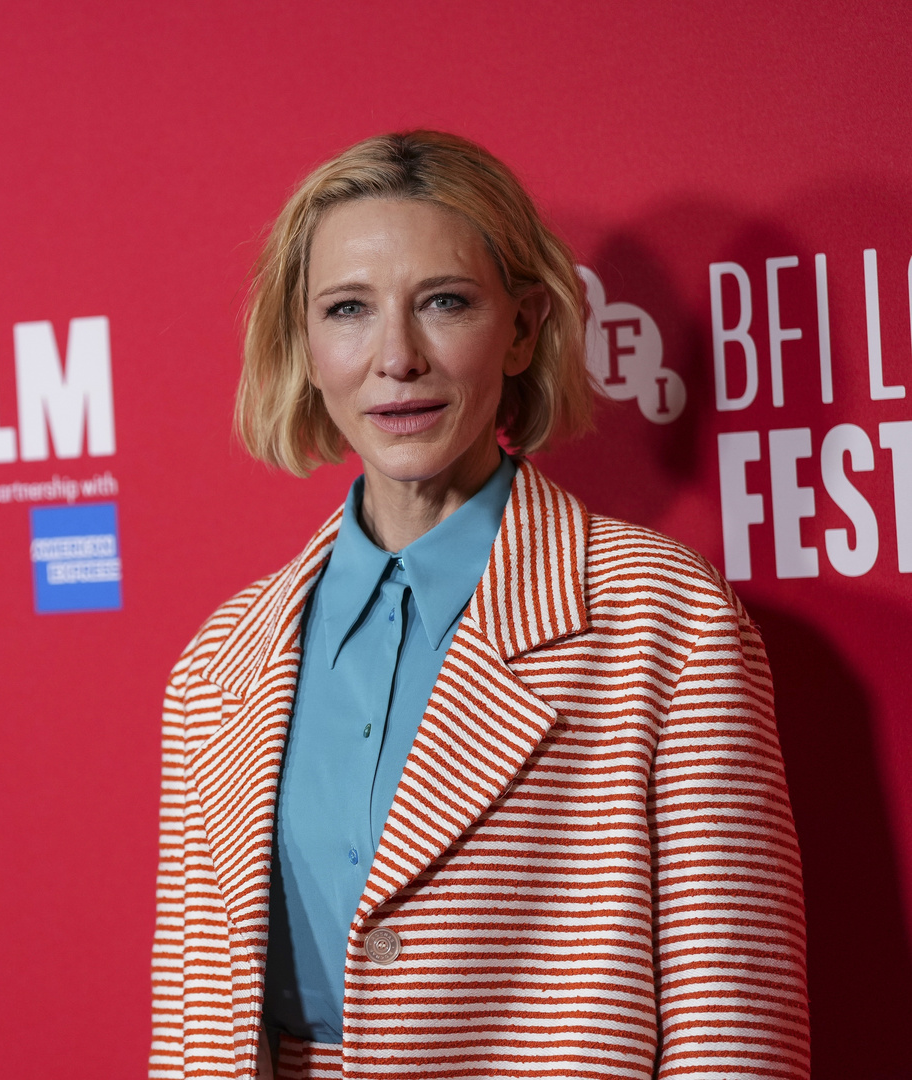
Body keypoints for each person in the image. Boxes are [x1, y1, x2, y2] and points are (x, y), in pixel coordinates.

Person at [149, 131, 808, 1080]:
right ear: (306, 346)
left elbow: (733, 1027)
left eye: (444, 302)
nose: (396, 358)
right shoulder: (219, 664)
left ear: (524, 328)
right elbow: (192, 1029)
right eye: (347, 309)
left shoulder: (666, 618)